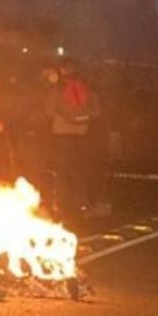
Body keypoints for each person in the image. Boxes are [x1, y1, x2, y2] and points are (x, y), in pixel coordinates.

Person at [43, 63, 102, 218]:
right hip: (82, 135)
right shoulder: (87, 89)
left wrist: (63, 114)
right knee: (81, 171)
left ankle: (62, 205)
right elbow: (97, 112)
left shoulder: (57, 89)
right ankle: (82, 204)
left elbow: (48, 111)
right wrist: (82, 116)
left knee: (62, 172)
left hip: (61, 136)